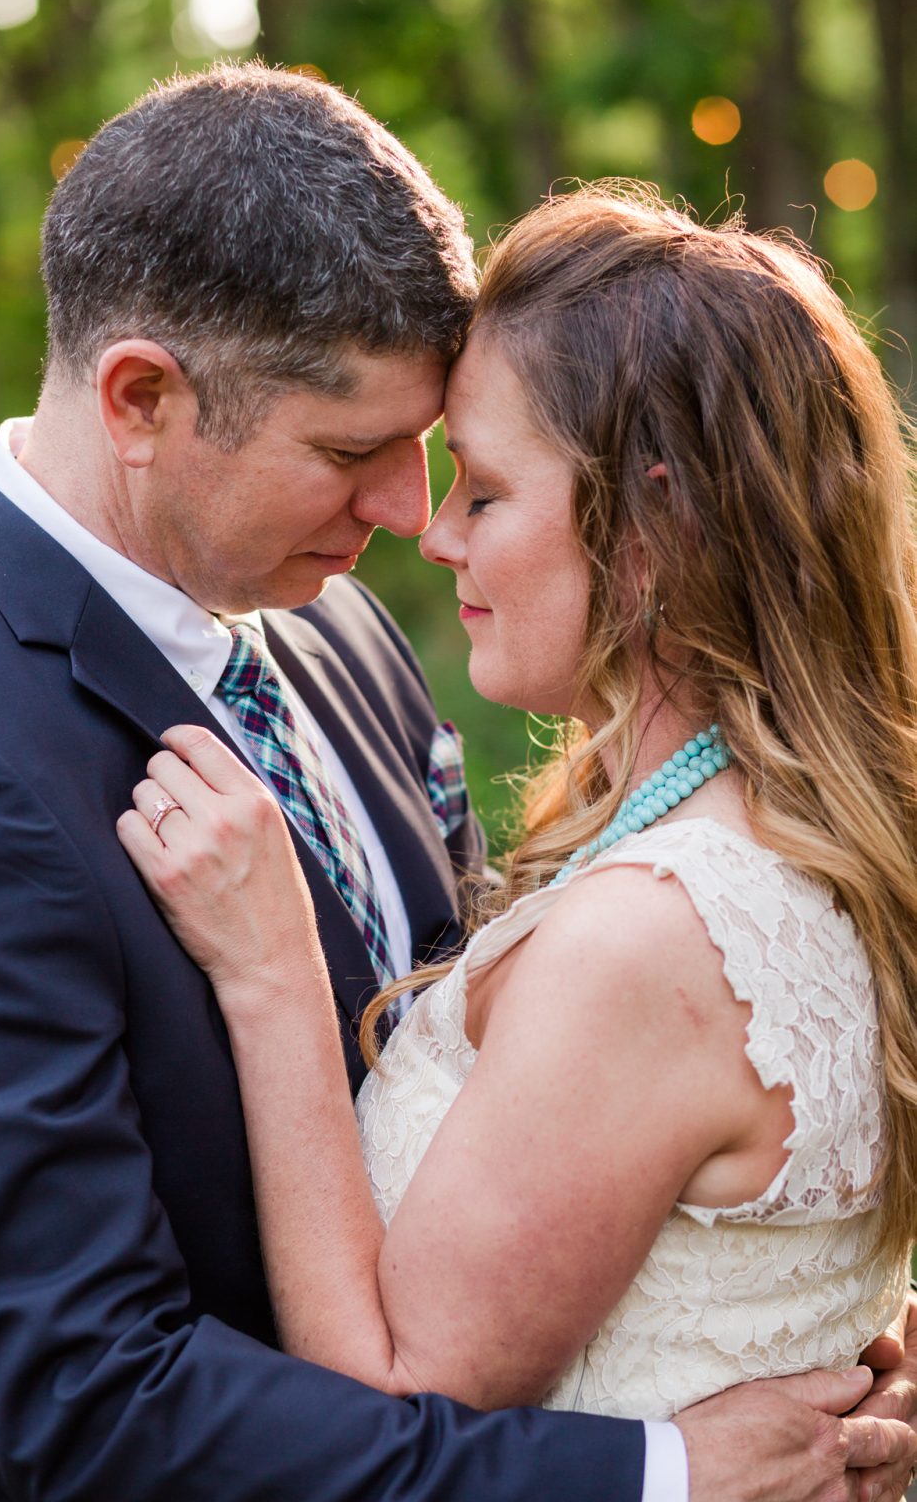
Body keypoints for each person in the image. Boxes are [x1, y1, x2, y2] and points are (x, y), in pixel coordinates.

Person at [0, 67, 911, 1502]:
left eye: (438, 463)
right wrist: (658, 1470)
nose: (409, 519)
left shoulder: (327, 618)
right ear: (143, 397)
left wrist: (797, 1309)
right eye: (352, 454)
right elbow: (81, 1403)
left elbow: (514, 1086)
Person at [119, 183, 917, 1461]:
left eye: (483, 491)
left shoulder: (649, 943)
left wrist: (269, 974)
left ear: (653, 526)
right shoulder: (782, 833)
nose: (432, 535)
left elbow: (395, 1415)